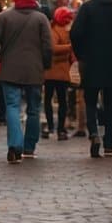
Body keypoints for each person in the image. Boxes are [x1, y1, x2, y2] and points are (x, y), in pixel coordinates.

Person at [0, 0, 52, 163]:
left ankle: (15, 146)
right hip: (34, 70)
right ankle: (29, 147)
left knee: (12, 108)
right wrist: (44, 65)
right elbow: (48, 47)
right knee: (33, 109)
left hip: (10, 70)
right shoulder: (41, 19)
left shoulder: (4, 17)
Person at [70, 0, 112, 158]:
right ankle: (109, 142)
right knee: (111, 103)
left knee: (90, 100)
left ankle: (94, 133)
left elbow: (75, 33)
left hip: (91, 61)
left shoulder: (87, 8)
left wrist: (81, 54)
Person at [43, 7, 74, 141]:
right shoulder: (56, 31)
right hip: (57, 71)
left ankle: (54, 127)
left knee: (54, 100)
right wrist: (69, 47)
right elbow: (53, 48)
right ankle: (58, 128)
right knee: (61, 101)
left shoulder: (53, 29)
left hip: (54, 71)